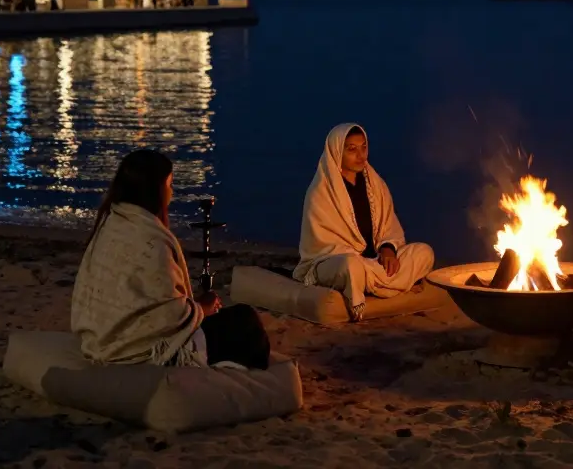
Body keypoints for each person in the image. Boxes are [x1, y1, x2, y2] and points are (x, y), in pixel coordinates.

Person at [71, 149, 270, 369]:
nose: (171, 193)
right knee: (246, 320)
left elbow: (148, 302)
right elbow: (168, 317)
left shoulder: (112, 223)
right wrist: (202, 308)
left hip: (100, 339)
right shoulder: (149, 240)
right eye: (169, 185)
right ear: (155, 190)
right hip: (138, 349)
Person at [292, 123, 435, 321]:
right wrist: (358, 259)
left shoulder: (375, 185)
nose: (361, 155)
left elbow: (389, 226)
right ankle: (383, 286)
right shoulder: (320, 193)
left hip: (372, 263)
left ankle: (374, 284)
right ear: (336, 152)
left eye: (364, 147)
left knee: (424, 252)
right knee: (351, 266)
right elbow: (321, 245)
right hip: (336, 262)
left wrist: (387, 248)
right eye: (352, 149)